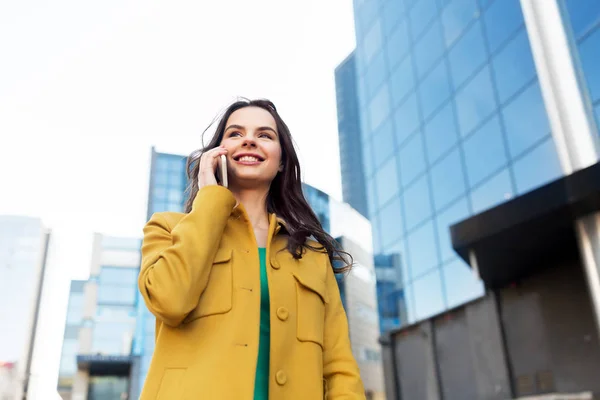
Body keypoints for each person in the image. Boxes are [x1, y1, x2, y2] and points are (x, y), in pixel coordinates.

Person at [137, 98, 366, 399]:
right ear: (216, 154)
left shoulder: (313, 257)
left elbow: (339, 370)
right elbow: (170, 301)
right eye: (234, 134)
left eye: (265, 135)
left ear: (282, 160)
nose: (248, 140)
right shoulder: (167, 228)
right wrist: (211, 199)